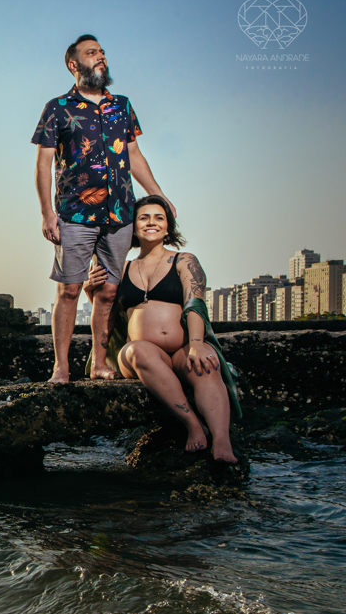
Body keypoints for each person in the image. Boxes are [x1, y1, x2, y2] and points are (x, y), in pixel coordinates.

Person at [32, 34, 175, 383]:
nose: (101, 57)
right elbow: (43, 163)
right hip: (75, 213)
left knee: (109, 290)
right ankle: (61, 367)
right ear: (73, 64)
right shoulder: (57, 108)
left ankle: (99, 363)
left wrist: (158, 195)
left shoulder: (122, 106)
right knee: (69, 288)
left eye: (102, 52)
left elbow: (134, 155)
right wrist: (47, 214)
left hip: (119, 213)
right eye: (91, 53)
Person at [84, 195, 240, 463]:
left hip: (181, 350)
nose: (151, 223)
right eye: (143, 218)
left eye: (159, 217)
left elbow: (195, 304)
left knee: (207, 366)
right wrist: (91, 291)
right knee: (138, 351)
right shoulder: (121, 268)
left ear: (168, 227)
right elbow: (109, 313)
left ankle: (222, 440)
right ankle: (193, 425)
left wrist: (196, 343)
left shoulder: (184, 260)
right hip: (140, 355)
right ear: (133, 227)